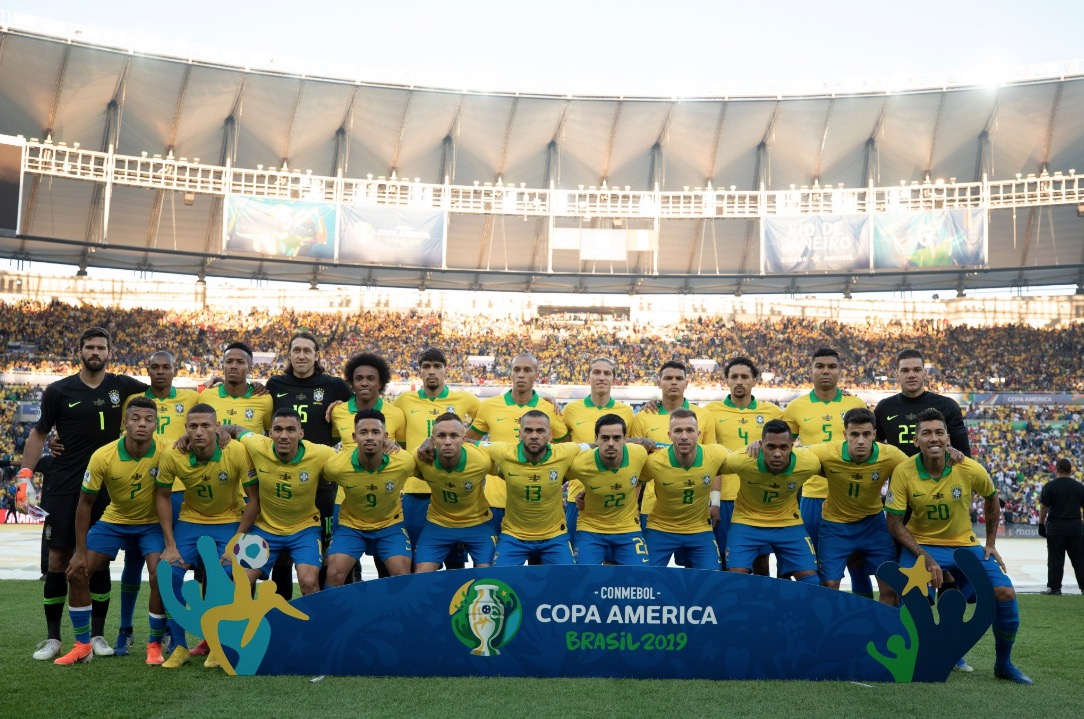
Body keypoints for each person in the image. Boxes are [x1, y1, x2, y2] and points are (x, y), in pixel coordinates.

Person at [19, 327, 148, 662]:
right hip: (64, 485)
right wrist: (25, 476)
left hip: (108, 485)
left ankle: (98, 635)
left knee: (98, 561)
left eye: (101, 347)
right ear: (80, 351)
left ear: (110, 352)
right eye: (89, 346)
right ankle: (53, 639)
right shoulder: (59, 390)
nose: (95, 351)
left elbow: (164, 392)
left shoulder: (122, 386)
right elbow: (38, 433)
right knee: (58, 561)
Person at [885, 408, 1032, 684]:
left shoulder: (969, 468)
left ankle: (1003, 664)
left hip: (964, 545)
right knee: (915, 598)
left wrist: (990, 543)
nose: (934, 438)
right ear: (916, 440)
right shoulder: (903, 471)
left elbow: (992, 498)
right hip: (922, 546)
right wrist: (923, 554)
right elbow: (893, 523)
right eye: (926, 433)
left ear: (948, 438)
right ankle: (927, 655)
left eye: (939, 432)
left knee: (1006, 593)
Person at [53, 398, 167, 666]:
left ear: (156, 424)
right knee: (77, 572)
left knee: (158, 574)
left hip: (151, 524)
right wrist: (80, 551)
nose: (142, 424)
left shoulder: (167, 451)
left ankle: (154, 645)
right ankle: (82, 645)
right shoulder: (104, 455)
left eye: (148, 419)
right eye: (136, 418)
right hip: (114, 521)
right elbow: (85, 503)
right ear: (124, 423)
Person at [154, 404, 260, 668]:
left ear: (217, 427)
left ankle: (219, 644)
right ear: (186, 429)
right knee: (169, 572)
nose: (199, 432)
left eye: (205, 426)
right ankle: (178, 646)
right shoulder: (173, 454)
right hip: (190, 523)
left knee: (227, 575)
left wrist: (236, 541)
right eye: (193, 426)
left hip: (230, 523)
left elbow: (255, 500)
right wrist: (169, 544)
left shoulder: (235, 450)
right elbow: (162, 496)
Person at [114, 350, 200, 656]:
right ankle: (125, 629)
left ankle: (164, 629)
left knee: (169, 562)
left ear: (176, 371)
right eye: (155, 367)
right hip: (143, 490)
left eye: (166, 367)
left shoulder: (190, 398)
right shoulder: (134, 400)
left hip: (178, 491)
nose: (160, 371)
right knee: (134, 561)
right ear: (147, 370)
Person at [264, 332, 352, 595]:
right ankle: (283, 617)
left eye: (307, 351)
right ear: (289, 355)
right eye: (296, 350)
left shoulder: (333, 386)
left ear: (316, 355)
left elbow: (360, 407)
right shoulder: (275, 384)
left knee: (325, 550)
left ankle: (325, 613)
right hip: (284, 478)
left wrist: (342, 404)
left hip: (321, 482)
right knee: (281, 556)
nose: (301, 355)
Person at [782, 348, 868, 588]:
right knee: (817, 562)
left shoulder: (855, 403)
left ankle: (863, 618)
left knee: (857, 560)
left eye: (831, 366)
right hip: (814, 495)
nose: (826, 371)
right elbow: (782, 447)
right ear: (811, 370)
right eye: (820, 366)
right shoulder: (796, 407)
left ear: (839, 371)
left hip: (851, 494)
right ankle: (821, 616)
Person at [228, 408, 336, 596]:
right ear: (270, 433)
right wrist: (220, 432)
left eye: (291, 430)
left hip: (305, 529)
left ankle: (316, 624)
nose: (284, 436)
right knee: (240, 579)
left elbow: (350, 461)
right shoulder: (257, 444)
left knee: (309, 582)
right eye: (278, 429)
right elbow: (236, 429)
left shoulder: (320, 453)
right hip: (265, 528)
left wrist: (386, 446)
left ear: (301, 433)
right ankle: (246, 624)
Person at [808, 408, 909, 604]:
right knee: (829, 587)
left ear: (874, 434)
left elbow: (917, 469)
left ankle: (886, 631)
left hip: (873, 525)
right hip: (834, 526)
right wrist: (759, 447)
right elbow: (790, 455)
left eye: (865, 434)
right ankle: (834, 631)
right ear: (845, 434)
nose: (860, 440)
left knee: (890, 588)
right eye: (854, 434)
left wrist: (948, 452)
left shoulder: (891, 455)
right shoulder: (827, 452)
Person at [393, 348, 480, 563]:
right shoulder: (404, 401)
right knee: (415, 559)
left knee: (454, 564)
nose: (432, 371)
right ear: (419, 371)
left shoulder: (464, 399)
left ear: (445, 370)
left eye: (437, 366)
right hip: (415, 490)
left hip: (452, 490)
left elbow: (492, 418)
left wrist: (467, 442)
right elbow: (402, 441)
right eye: (426, 366)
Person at [467, 353, 569, 534]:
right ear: (510, 374)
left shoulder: (549, 410)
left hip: (539, 502)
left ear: (536, 375)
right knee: (497, 560)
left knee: (539, 560)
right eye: (517, 370)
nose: (521, 374)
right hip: (497, 500)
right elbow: (467, 442)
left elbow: (566, 448)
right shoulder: (490, 406)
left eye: (527, 370)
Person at [329, 353, 406, 579]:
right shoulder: (338, 411)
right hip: (345, 498)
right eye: (358, 378)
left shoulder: (396, 414)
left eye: (370, 378)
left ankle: (386, 610)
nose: (364, 383)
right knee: (346, 569)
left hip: (384, 497)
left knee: (386, 566)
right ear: (351, 382)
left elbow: (402, 452)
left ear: (380, 382)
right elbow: (336, 444)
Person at [705, 356, 783, 570]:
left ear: (754, 380)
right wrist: (715, 501)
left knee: (761, 562)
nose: (739, 381)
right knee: (722, 558)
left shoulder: (773, 412)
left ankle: (759, 604)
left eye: (744, 377)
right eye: (734, 377)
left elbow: (786, 447)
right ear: (727, 381)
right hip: (725, 497)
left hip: (759, 498)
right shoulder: (710, 411)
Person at [719, 419, 821, 583]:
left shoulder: (809, 464)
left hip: (788, 522)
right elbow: (711, 466)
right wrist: (714, 501)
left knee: (812, 581)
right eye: (771, 447)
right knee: (735, 579)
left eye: (783, 447)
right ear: (761, 445)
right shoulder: (741, 460)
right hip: (746, 521)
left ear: (792, 446)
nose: (777, 453)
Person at [323, 409, 416, 585]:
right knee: (334, 573)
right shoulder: (337, 466)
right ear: (354, 436)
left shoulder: (404, 462)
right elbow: (324, 479)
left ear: (385, 436)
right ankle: (335, 612)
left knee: (402, 575)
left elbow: (424, 472)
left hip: (390, 525)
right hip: (352, 526)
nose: (370, 437)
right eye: (363, 432)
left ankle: (396, 612)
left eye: (376, 432)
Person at [630, 360, 716, 548]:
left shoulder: (704, 416)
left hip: (695, 511)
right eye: (668, 378)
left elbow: (715, 464)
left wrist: (715, 502)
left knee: (697, 572)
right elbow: (634, 467)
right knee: (650, 572)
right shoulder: (643, 417)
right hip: (652, 508)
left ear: (687, 383)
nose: (674, 382)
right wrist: (631, 507)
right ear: (659, 382)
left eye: (679, 378)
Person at [482, 410, 581, 566]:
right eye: (528, 430)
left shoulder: (565, 452)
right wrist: (430, 443)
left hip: (555, 536)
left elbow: (598, 448)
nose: (534, 435)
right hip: (513, 536)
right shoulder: (503, 452)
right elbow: (466, 444)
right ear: (520, 434)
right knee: (499, 582)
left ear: (550, 434)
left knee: (569, 582)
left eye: (540, 431)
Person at [641, 409, 728, 569]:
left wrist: (756, 446)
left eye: (689, 430)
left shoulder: (715, 454)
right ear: (669, 435)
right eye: (678, 431)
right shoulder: (654, 462)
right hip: (661, 528)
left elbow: (745, 462)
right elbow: (630, 480)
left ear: (698, 434)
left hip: (699, 528)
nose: (684, 436)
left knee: (713, 579)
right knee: (644, 577)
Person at [413, 413, 497, 572]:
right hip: (438, 523)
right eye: (441, 436)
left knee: (488, 574)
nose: (447, 442)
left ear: (464, 438)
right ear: (432, 439)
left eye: (454, 436)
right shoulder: (420, 457)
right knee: (421, 575)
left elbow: (509, 473)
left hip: (478, 523)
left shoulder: (481, 460)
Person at [567, 414, 651, 565]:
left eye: (617, 438)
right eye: (605, 438)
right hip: (591, 528)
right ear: (596, 439)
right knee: (582, 577)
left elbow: (650, 472)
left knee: (640, 576)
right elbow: (553, 479)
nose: (611, 443)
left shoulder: (639, 454)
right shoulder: (580, 463)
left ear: (626, 439)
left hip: (627, 527)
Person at [873, 349, 971, 456]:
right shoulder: (884, 408)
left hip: (936, 472)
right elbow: (876, 446)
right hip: (897, 472)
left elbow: (964, 453)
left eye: (917, 370)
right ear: (897, 375)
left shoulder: (947, 406)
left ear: (925, 373)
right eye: (905, 370)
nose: (911, 375)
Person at [197, 342, 274, 435]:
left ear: (250, 369)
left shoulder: (264, 399)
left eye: (240, 362)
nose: (233, 366)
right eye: (229, 361)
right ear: (222, 366)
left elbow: (270, 433)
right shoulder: (206, 396)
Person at [1038, 458, 1084, 595]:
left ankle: (1055, 587)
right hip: (1075, 528)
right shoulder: (1079, 487)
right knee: (1080, 559)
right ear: (1070, 470)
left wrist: (1041, 524)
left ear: (1056, 469)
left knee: (1055, 559)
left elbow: (1044, 507)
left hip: (1056, 528)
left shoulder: (1050, 486)